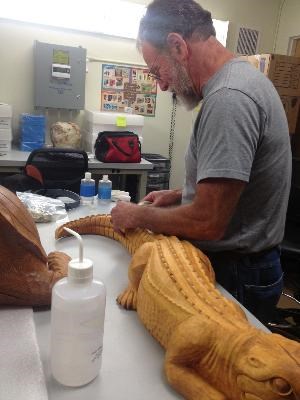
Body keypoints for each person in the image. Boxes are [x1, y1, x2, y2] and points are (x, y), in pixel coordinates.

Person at [111, 0, 292, 323]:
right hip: (251, 265)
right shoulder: (244, 80)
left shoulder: (228, 100)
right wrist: (180, 194)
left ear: (178, 46)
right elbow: (237, 180)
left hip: (236, 274)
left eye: (157, 71)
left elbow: (208, 222)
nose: (162, 84)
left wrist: (137, 215)